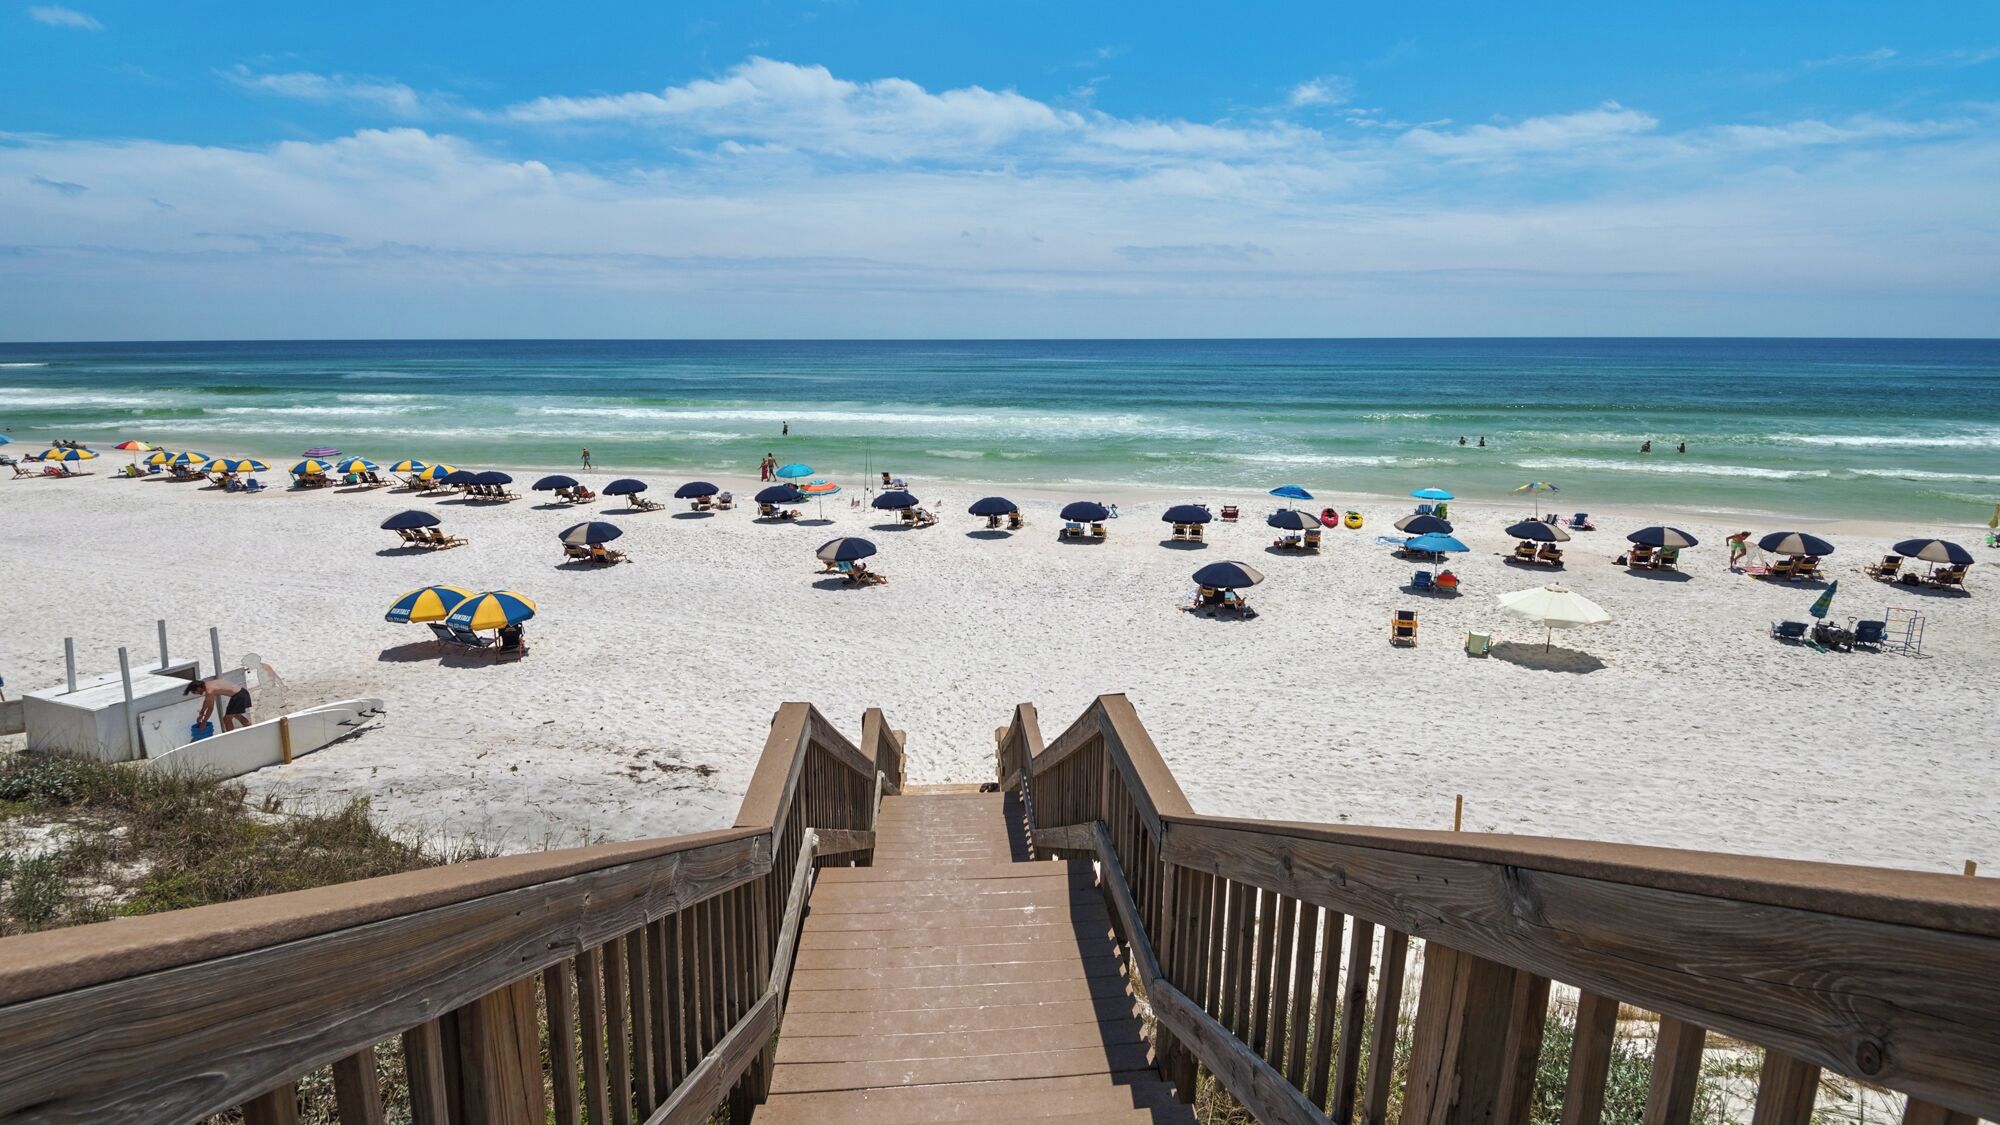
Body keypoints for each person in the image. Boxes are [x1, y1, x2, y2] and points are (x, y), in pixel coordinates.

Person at [184, 676, 252, 732]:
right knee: (236, 715)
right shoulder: (208, 684)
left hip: (238, 696)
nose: (195, 694)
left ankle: (232, 738)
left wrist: (204, 722)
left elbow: (210, 708)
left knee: (226, 719)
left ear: (198, 688)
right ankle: (250, 728)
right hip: (243, 692)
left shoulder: (209, 691)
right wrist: (201, 713)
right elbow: (206, 701)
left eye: (193, 692)